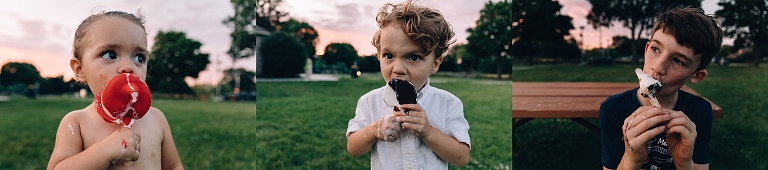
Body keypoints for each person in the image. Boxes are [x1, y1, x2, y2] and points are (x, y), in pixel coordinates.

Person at [47, 11, 183, 170]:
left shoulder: (157, 119)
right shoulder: (77, 122)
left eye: (139, 58)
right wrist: (103, 152)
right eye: (110, 54)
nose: (128, 67)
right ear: (80, 69)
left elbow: (174, 166)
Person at [345, 1, 470, 169]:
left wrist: (428, 132)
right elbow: (353, 148)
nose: (398, 69)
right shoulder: (369, 102)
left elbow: (461, 158)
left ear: (435, 63)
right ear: (379, 56)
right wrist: (375, 129)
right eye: (389, 56)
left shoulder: (448, 103)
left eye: (413, 57)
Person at [600, 7, 723, 170]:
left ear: (696, 76)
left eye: (678, 61)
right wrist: (632, 159)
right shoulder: (613, 109)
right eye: (655, 49)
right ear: (646, 50)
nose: (658, 68)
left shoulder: (699, 111)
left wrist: (684, 163)